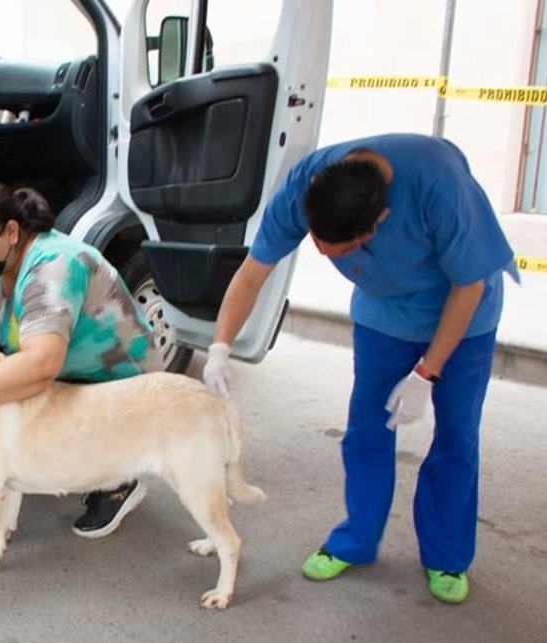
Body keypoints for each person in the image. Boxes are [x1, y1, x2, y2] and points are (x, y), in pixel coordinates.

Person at [202, 133, 517, 604]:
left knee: (457, 436)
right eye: (318, 243)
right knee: (366, 429)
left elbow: (468, 286)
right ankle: (357, 539)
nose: (326, 255)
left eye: (341, 250)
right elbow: (252, 274)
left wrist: (426, 373)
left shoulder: (439, 185)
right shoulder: (306, 185)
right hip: (384, 315)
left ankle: (447, 556)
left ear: (380, 222)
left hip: (462, 315)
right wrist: (220, 346)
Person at [0, 182, 158, 537]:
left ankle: (120, 479)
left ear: (11, 231)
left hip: (117, 383)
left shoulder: (54, 266)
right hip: (67, 373)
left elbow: (41, 365)